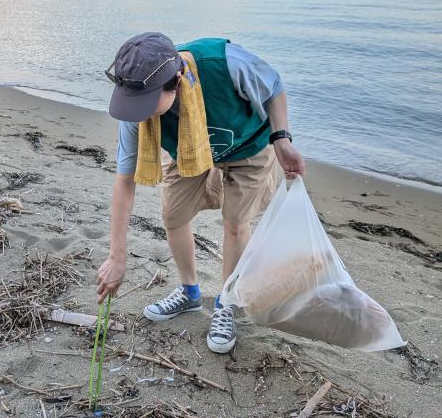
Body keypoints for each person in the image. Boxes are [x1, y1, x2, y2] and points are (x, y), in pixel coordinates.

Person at [96, 32, 306, 353]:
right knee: (173, 215)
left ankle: (225, 303)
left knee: (235, 222)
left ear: (176, 81)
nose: (138, 113)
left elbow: (273, 85)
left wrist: (282, 138)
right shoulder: (136, 106)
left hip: (248, 144)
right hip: (187, 147)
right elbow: (125, 182)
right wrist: (116, 256)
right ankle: (190, 293)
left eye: (147, 104)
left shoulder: (226, 64)